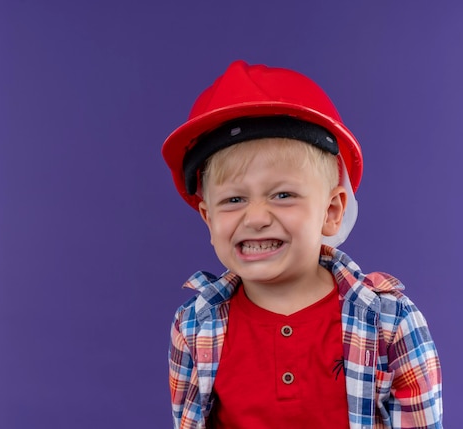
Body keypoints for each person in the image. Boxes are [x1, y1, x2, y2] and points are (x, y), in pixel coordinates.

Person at [161, 60, 443, 429]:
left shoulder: (390, 324)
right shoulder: (195, 326)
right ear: (208, 219)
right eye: (233, 200)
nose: (257, 217)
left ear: (331, 211)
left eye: (282, 194)